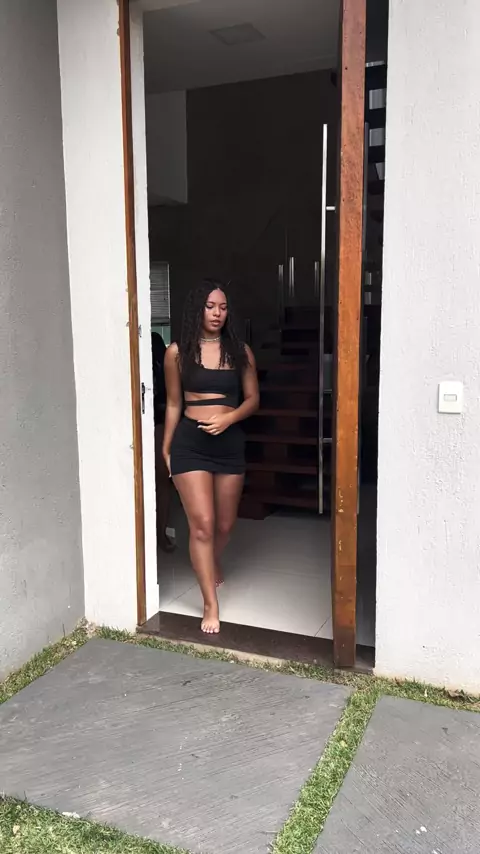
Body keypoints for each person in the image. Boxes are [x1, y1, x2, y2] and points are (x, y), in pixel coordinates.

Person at [163, 280, 259, 634]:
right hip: (190, 443)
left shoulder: (240, 351)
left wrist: (229, 418)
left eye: (223, 307)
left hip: (229, 443)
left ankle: (212, 560)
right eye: (210, 306)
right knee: (202, 524)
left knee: (224, 525)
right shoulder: (177, 353)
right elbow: (174, 403)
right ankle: (209, 603)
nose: (217, 313)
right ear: (197, 309)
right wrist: (166, 447)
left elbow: (253, 400)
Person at [152, 331, 175, 553]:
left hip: (157, 419)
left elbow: (168, 393)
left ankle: (160, 534)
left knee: (162, 479)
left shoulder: (156, 343)